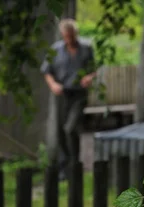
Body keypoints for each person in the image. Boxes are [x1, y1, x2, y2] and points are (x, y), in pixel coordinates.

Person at [41, 19, 96, 180]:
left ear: (75, 34)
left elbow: (93, 70)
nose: (69, 40)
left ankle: (75, 163)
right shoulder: (55, 49)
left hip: (79, 95)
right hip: (62, 94)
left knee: (70, 128)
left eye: (71, 36)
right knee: (60, 131)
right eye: (66, 36)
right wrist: (52, 84)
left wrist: (89, 77)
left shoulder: (86, 48)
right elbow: (46, 71)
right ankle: (65, 168)